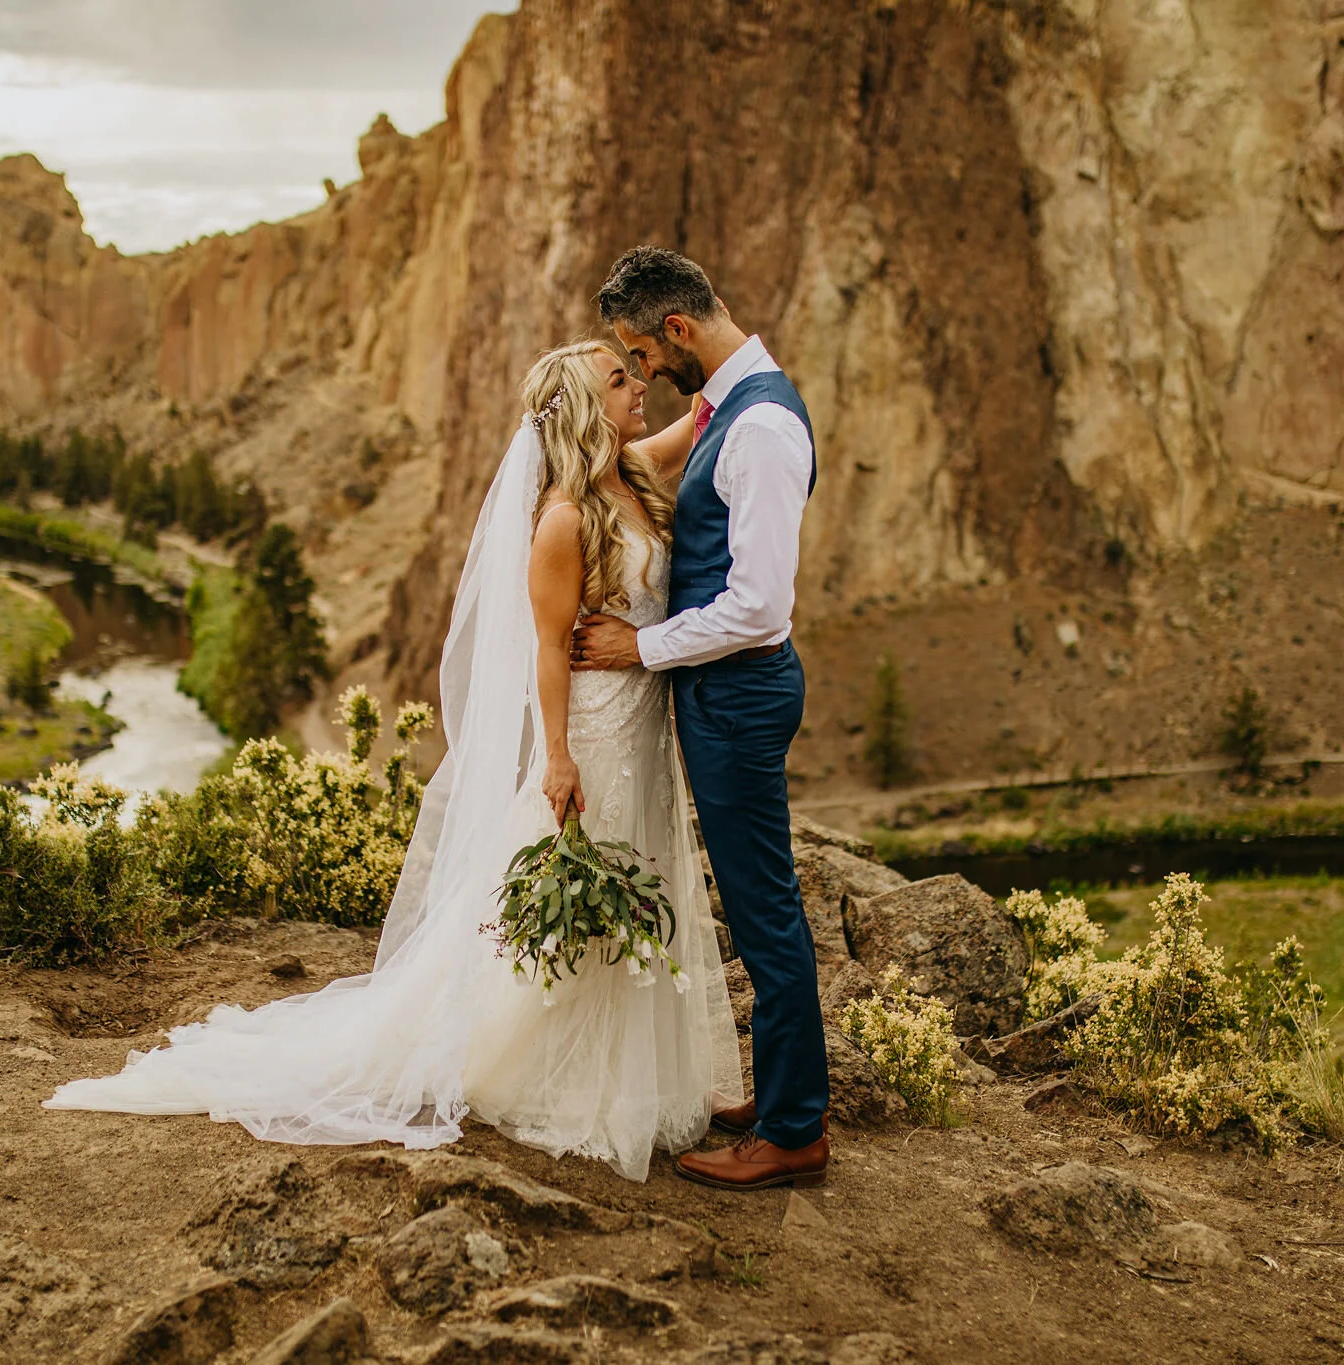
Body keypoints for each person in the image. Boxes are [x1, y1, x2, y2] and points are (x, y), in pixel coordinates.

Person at [44, 340, 740, 1183]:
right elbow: (548, 653)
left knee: (641, 879)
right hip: (595, 735)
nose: (640, 387)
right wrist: (557, 757)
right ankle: (559, 1075)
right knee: (585, 889)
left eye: (635, 374)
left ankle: (637, 1075)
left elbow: (688, 433)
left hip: (643, 729)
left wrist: (731, 373)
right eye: (621, 381)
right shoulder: (563, 519)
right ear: (589, 413)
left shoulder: (626, 476)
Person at [575, 245, 829, 1191]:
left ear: (676, 330)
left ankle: (795, 1128)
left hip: (740, 696)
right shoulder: (729, 401)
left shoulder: (758, 428)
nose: (642, 374)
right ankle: (778, 1097)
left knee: (765, 913)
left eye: (641, 355)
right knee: (758, 901)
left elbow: (759, 604)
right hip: (727, 695)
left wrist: (636, 649)